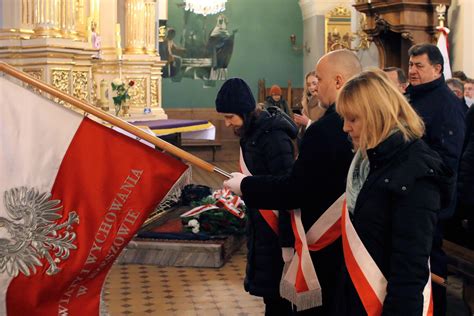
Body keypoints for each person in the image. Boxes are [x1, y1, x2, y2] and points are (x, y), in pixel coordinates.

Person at [224, 49, 361, 315]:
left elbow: (294, 189)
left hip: (325, 245)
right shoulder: (363, 122)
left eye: (318, 80)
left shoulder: (325, 130)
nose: (313, 88)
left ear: (338, 81)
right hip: (350, 243)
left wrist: (246, 186)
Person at [334, 69, 453, 315]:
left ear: (377, 115)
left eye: (353, 119)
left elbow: (409, 270)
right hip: (357, 298)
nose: (345, 127)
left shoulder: (416, 173)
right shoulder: (367, 161)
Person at [215, 78, 297, 315]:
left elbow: (287, 188)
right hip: (262, 229)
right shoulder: (251, 133)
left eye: (230, 117)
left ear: (244, 111)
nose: (227, 123)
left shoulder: (273, 137)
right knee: (271, 297)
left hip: (277, 233)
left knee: (280, 300)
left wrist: (287, 243)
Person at [406, 43, 465, 316]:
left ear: (437, 69)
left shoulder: (446, 104)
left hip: (431, 201)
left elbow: (448, 159)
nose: (412, 70)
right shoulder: (411, 96)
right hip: (409, 195)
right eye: (410, 65)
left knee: (430, 265)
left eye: (419, 65)